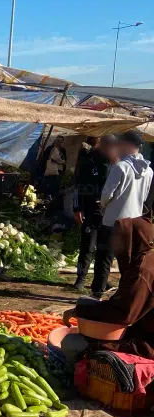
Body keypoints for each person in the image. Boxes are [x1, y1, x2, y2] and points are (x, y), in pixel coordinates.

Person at [65, 217, 154, 359]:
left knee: (72, 343)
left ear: (132, 239)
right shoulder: (144, 260)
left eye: (118, 237)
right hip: (141, 330)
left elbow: (123, 314)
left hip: (148, 343)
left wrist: (80, 311)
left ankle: (76, 379)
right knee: (85, 301)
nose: (113, 242)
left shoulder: (142, 272)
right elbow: (123, 304)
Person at [93, 131, 153, 297]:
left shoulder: (121, 167)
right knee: (127, 260)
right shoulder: (149, 171)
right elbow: (145, 197)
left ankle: (98, 291)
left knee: (105, 256)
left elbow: (107, 194)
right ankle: (125, 292)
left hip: (113, 220)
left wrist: (103, 205)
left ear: (127, 145)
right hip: (133, 221)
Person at [73, 136, 117, 292]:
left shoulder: (116, 165)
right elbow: (78, 185)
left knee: (105, 250)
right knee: (87, 246)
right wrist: (77, 208)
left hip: (109, 214)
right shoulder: (89, 161)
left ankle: (101, 280)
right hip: (91, 211)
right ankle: (81, 277)